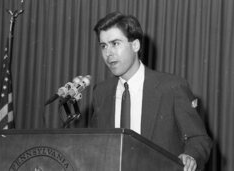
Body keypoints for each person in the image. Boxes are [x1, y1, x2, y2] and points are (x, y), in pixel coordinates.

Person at [89, 12, 212, 171]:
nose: (108, 53)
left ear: (135, 46)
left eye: (115, 43)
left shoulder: (172, 87)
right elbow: (93, 145)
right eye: (103, 46)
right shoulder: (101, 92)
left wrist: (191, 156)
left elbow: (199, 139)